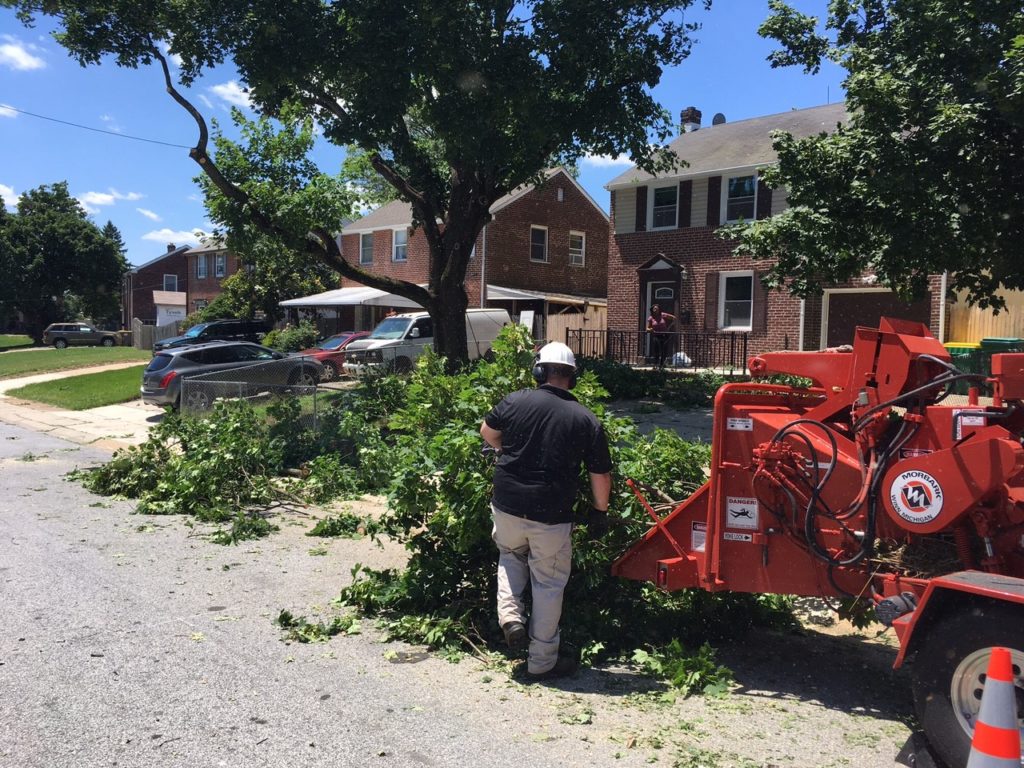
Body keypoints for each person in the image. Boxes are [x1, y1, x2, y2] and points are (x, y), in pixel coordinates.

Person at [480, 341, 612, 681]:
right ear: (572, 378)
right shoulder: (586, 418)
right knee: (548, 583)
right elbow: (600, 474)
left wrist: (503, 450)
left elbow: (488, 432)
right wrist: (600, 511)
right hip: (551, 514)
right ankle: (541, 662)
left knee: (510, 554)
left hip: (507, 503)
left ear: (539, 371)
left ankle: (510, 617)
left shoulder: (517, 399)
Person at [646, 304, 676, 369]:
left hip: (664, 335)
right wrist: (650, 329)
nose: (655, 310)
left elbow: (674, 318)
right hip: (656, 336)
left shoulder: (662, 315)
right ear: (652, 310)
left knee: (664, 350)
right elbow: (647, 329)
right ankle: (655, 364)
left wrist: (670, 327)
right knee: (656, 350)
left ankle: (662, 364)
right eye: (654, 309)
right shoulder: (651, 318)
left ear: (659, 309)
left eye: (656, 309)